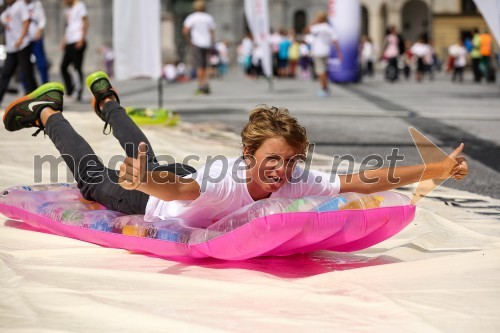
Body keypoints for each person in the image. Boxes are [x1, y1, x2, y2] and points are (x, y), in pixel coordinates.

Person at [3, 72, 468, 229]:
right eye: (273, 159)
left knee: (145, 153)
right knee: (91, 178)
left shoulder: (291, 177)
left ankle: (108, 103)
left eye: (290, 161)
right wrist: (143, 182)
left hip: (176, 178)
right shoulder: (226, 181)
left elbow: (367, 179)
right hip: (149, 200)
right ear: (248, 153)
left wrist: (440, 166)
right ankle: (50, 112)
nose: (282, 172)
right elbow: (182, 190)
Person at [0, 0, 38, 106]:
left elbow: (26, 21)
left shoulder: (20, 4)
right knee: (6, 73)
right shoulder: (9, 9)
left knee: (27, 73)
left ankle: (35, 99)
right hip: (12, 48)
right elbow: (3, 19)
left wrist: (21, 38)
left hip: (22, 45)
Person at [182, 0, 216, 95]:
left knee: (199, 65)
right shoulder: (208, 17)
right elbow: (212, 31)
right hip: (206, 43)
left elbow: (185, 30)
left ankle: (200, 84)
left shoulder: (192, 17)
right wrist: (212, 42)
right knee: (206, 64)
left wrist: (189, 40)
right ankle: (206, 83)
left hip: (197, 43)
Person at [306, 11, 342, 97]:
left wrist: (314, 21)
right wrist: (339, 52)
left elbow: (306, 30)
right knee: (325, 71)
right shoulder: (329, 27)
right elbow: (335, 40)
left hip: (318, 52)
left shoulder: (316, 27)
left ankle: (324, 89)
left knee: (320, 71)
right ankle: (326, 87)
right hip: (326, 51)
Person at [60, 0, 88, 101]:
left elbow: (85, 22)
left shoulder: (80, 6)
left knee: (77, 67)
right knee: (63, 67)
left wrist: (82, 38)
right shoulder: (67, 9)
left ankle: (78, 92)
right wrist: (64, 40)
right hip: (69, 41)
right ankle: (70, 90)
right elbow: (69, 26)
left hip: (78, 40)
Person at [25, 0, 49, 84]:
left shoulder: (36, 4)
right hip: (25, 40)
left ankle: (45, 84)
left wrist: (39, 30)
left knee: (41, 64)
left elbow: (42, 19)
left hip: (36, 39)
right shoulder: (19, 4)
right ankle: (29, 88)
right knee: (24, 66)